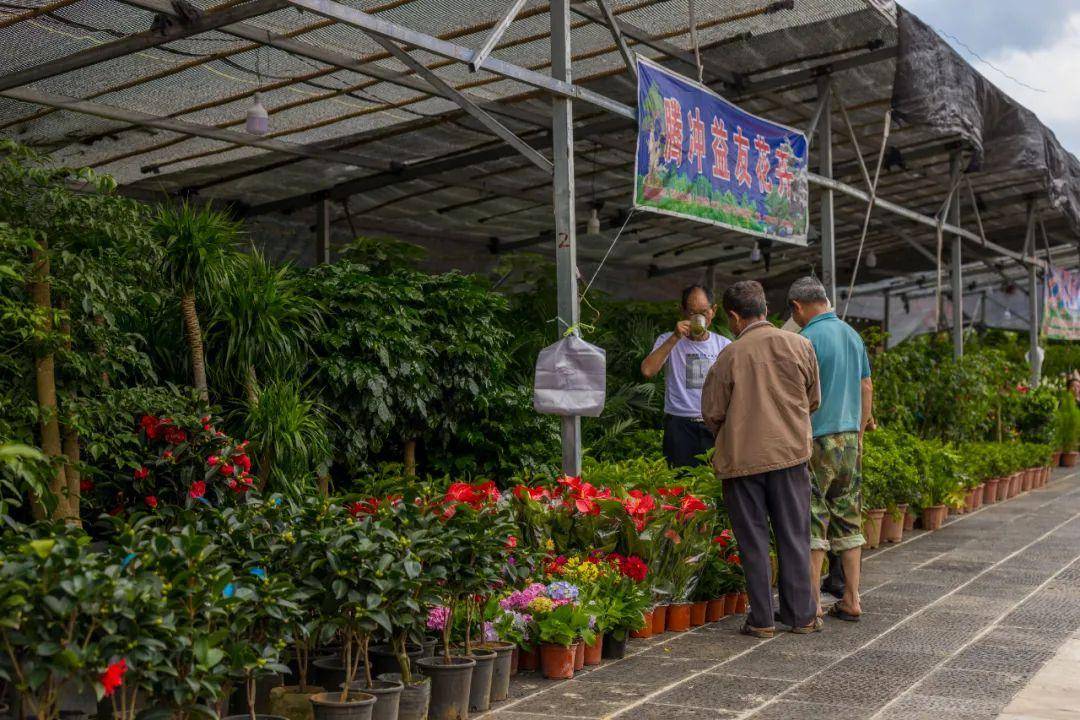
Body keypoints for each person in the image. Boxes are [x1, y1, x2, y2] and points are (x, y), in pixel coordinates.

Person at [701, 280, 821, 637]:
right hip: (791, 456)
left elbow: (712, 412)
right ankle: (801, 617)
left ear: (735, 317)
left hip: (743, 462)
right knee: (794, 536)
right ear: (766, 310)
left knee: (753, 541)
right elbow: (813, 399)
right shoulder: (801, 345)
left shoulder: (729, 355)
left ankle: (762, 620)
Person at [787, 276, 873, 622]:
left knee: (813, 518)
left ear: (797, 307)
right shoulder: (852, 335)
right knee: (849, 518)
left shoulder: (804, 340)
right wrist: (860, 432)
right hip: (850, 438)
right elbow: (866, 386)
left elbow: (798, 396)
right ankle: (852, 599)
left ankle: (811, 605)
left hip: (817, 438)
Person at [641, 285, 731, 467]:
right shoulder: (667, 339)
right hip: (679, 423)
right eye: (692, 313)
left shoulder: (724, 345)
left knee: (713, 480)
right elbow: (647, 371)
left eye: (704, 312)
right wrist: (675, 337)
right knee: (678, 481)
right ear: (682, 312)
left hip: (713, 424)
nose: (699, 318)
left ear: (713, 311)